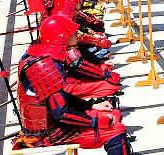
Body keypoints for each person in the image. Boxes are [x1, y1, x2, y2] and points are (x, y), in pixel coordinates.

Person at [14, 16, 132, 155]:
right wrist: (95, 121)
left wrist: (91, 105)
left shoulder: (44, 55)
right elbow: (62, 113)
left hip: (51, 123)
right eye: (72, 32)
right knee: (116, 129)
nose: (77, 34)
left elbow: (60, 98)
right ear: (63, 36)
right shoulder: (45, 64)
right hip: (47, 133)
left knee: (114, 113)